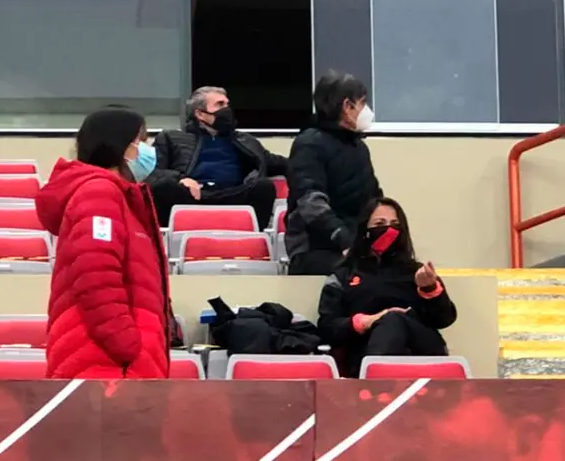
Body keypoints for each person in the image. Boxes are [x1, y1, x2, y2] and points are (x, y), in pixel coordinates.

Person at [35, 106, 171, 379]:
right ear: (122, 145)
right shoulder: (99, 193)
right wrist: (128, 346)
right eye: (141, 141)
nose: (147, 150)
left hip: (114, 363)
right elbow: (95, 274)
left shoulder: (119, 196)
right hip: (109, 365)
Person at [316, 197, 457, 378]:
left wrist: (429, 289)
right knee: (390, 320)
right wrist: (368, 321)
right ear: (365, 229)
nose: (389, 230)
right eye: (379, 223)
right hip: (363, 352)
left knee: (394, 319)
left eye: (395, 224)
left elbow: (445, 318)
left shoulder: (415, 272)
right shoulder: (344, 274)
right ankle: (376, 380)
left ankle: (374, 386)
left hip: (419, 349)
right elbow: (327, 327)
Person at [146, 86, 287, 230]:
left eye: (227, 105)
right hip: (192, 196)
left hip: (233, 195)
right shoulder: (171, 138)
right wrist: (179, 179)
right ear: (200, 114)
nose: (226, 109)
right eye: (220, 105)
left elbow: (280, 163)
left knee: (263, 187)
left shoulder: (245, 140)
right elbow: (152, 173)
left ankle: (254, 239)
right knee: (165, 188)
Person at [285, 71, 383, 276]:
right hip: (315, 250)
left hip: (354, 247)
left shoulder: (359, 147)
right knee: (359, 276)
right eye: (362, 103)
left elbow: (374, 198)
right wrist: (343, 239)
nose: (366, 110)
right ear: (347, 106)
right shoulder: (309, 144)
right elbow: (310, 202)